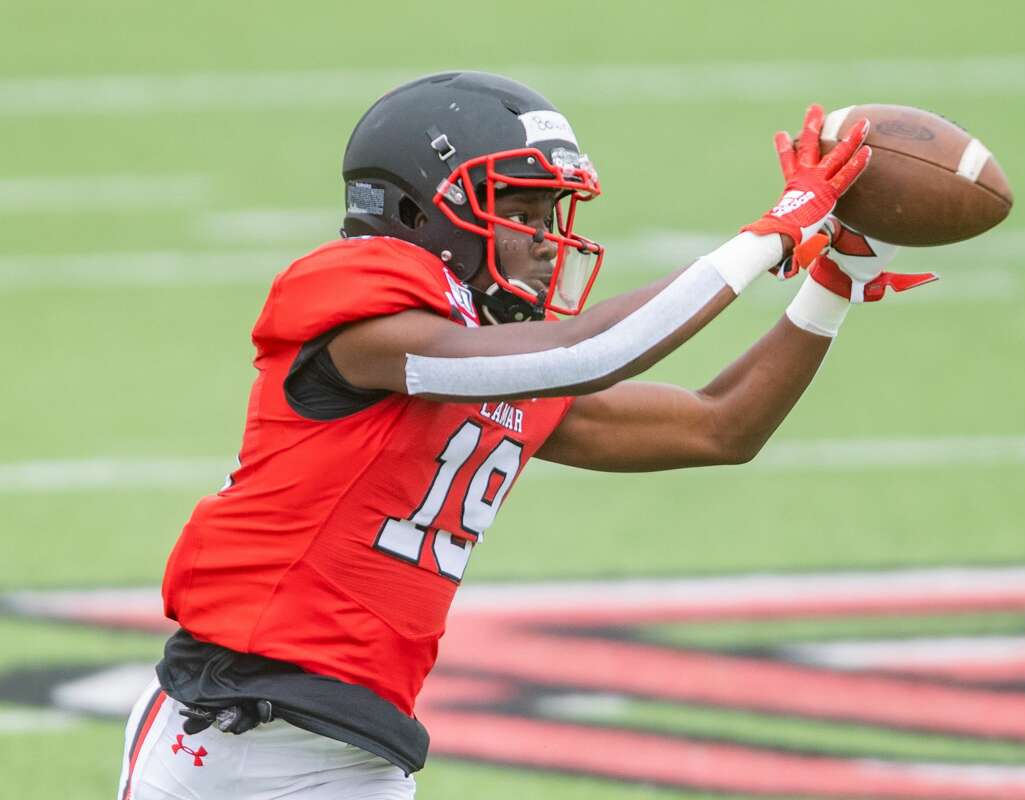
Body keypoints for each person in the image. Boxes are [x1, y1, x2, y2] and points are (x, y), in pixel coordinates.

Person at [117, 70, 933, 799]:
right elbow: (587, 353)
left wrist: (830, 283)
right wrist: (769, 236)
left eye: (553, 211)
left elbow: (721, 426)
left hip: (356, 753)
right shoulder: (363, 313)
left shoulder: (494, 359)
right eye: (519, 209)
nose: (548, 240)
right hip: (221, 732)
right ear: (415, 209)